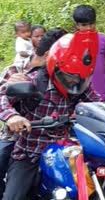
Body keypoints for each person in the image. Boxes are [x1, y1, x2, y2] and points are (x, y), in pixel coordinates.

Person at [0, 30, 100, 200]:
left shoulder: (78, 84)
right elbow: (2, 97)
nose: (74, 82)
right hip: (30, 153)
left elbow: (98, 104)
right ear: (55, 66)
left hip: (66, 152)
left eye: (80, 78)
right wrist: (11, 117)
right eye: (69, 77)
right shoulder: (31, 80)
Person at [0, 28, 67, 198]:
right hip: (19, 137)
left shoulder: (70, 78)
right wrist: (12, 116)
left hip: (61, 143)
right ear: (49, 54)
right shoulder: (16, 70)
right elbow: (3, 96)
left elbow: (93, 101)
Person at [72, 5, 105, 101]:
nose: (89, 28)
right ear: (77, 25)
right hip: (86, 98)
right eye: (84, 25)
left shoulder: (103, 39)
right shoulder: (71, 44)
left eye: (92, 23)